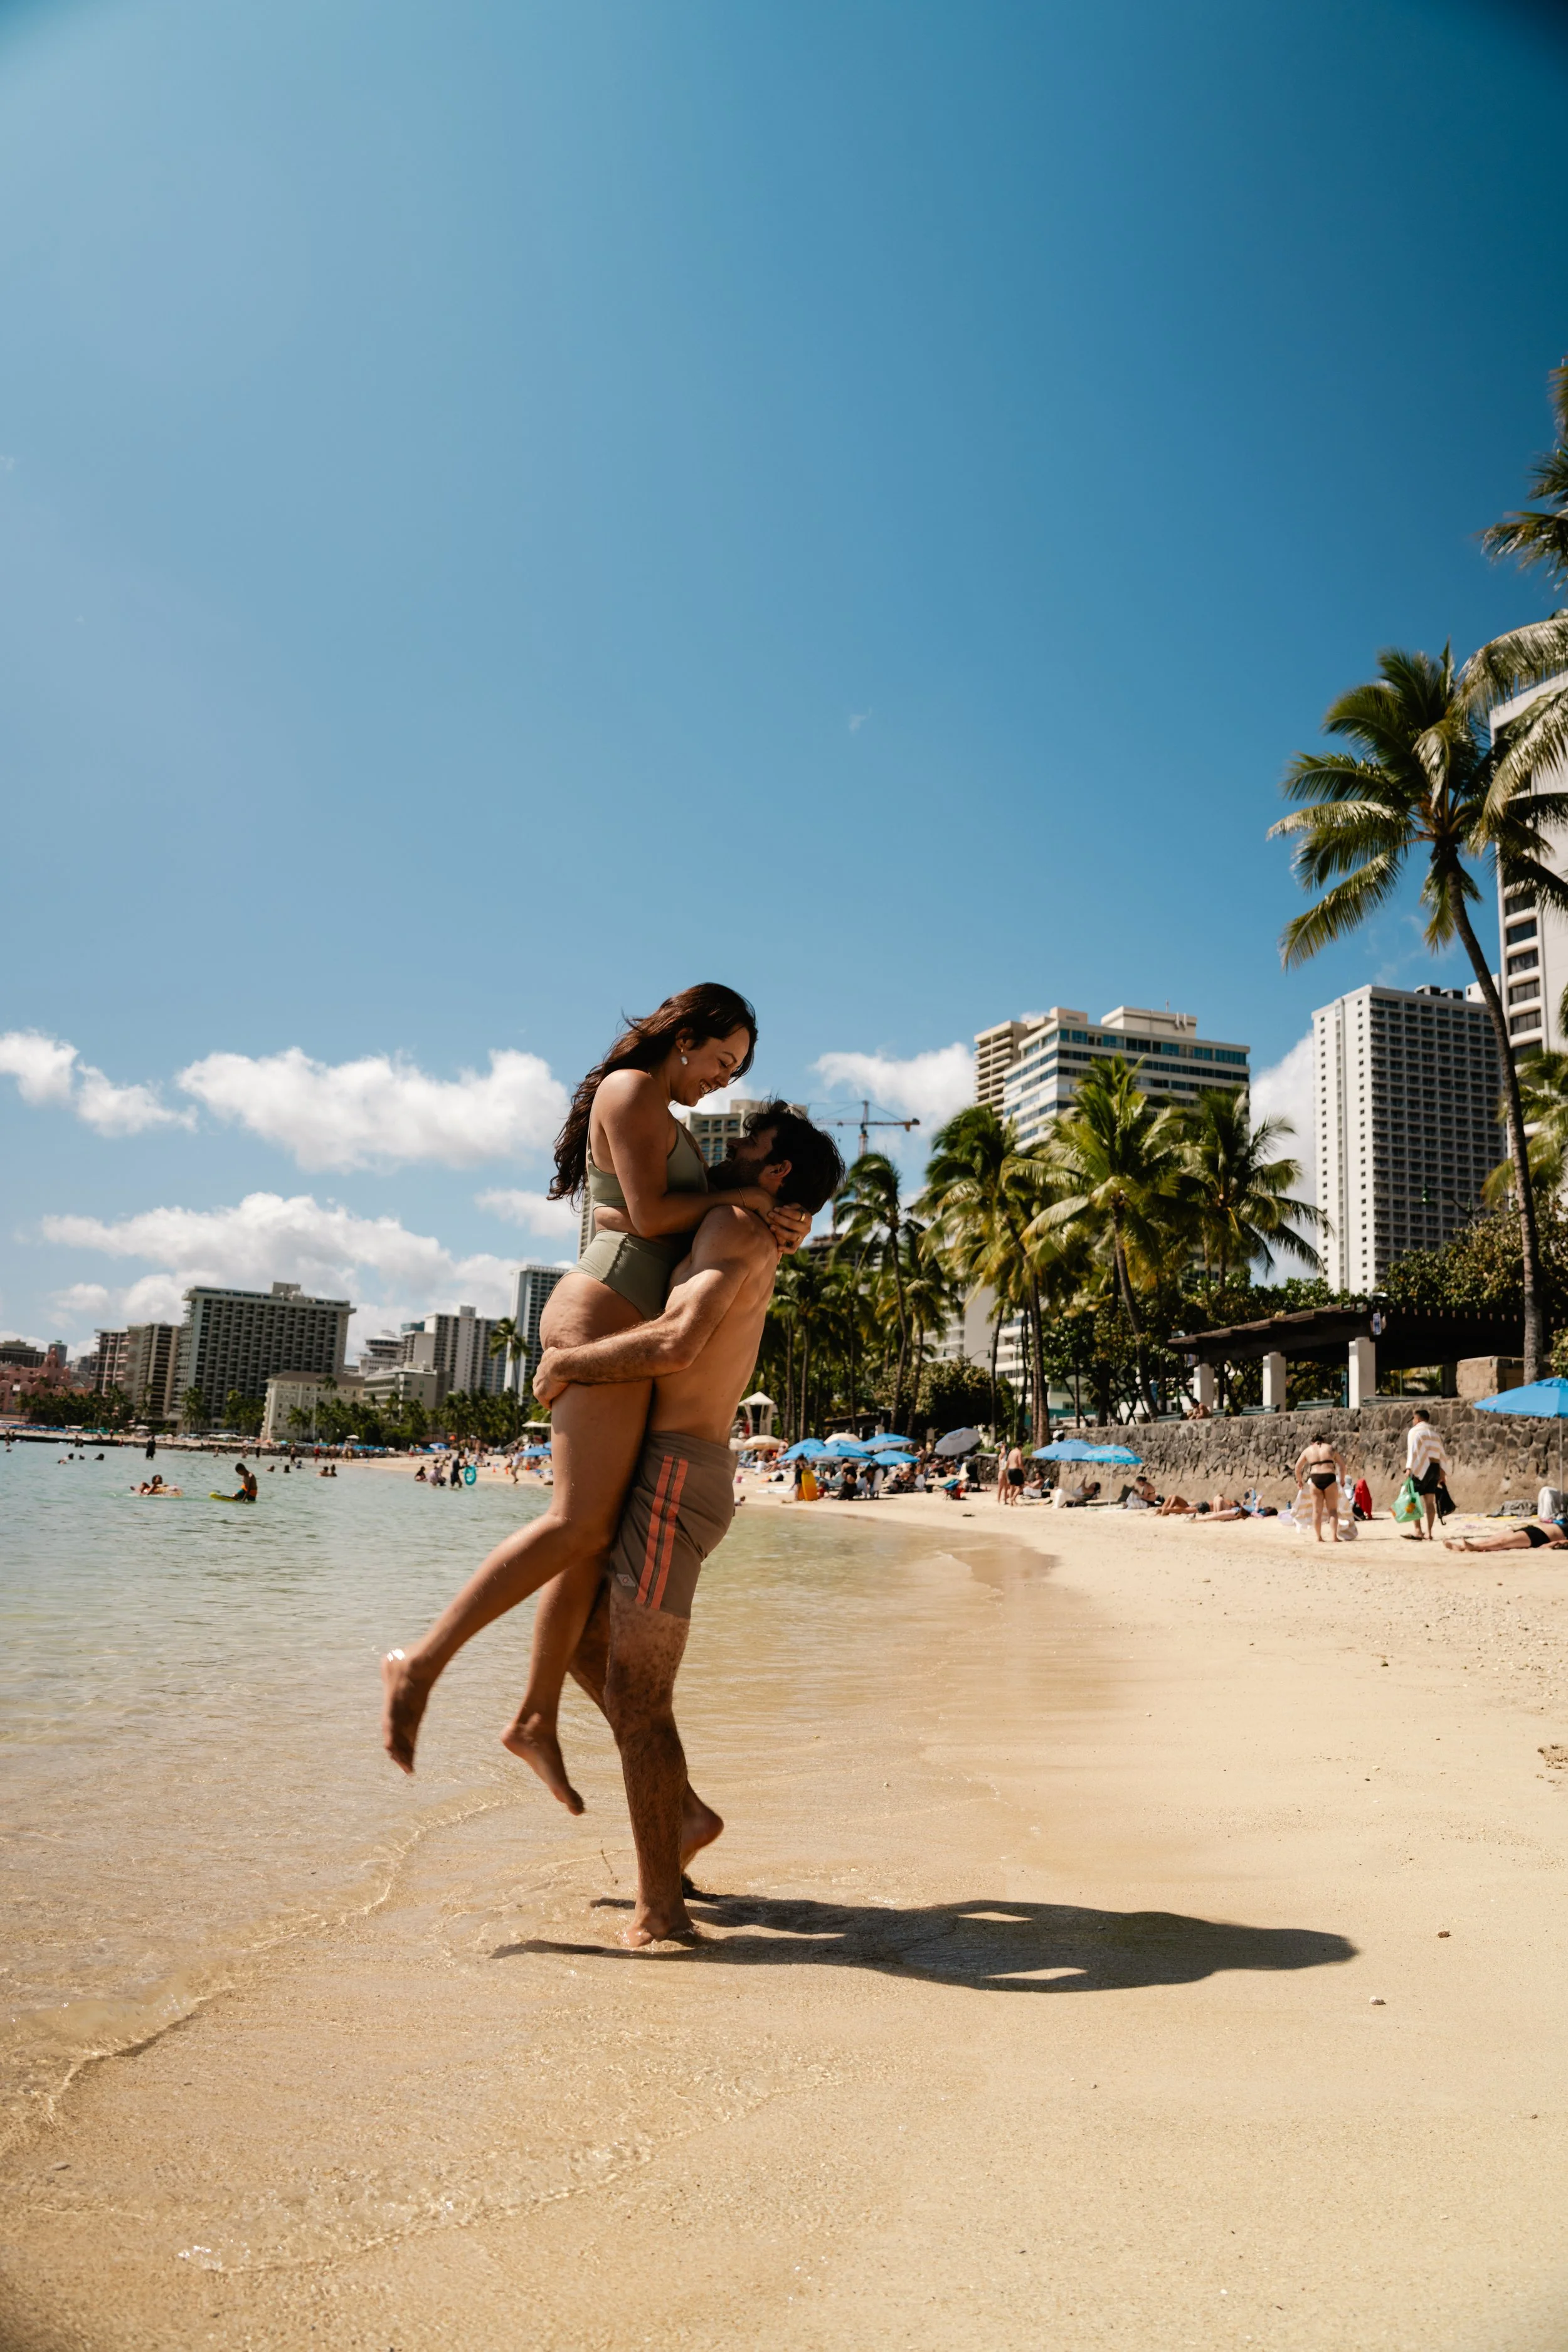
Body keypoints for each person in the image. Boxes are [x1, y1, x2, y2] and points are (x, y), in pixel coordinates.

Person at [381, 1009, 810, 1796]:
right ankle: (423, 1662)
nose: (725, 1079)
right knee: (575, 1524)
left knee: (591, 1535)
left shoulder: (670, 1118)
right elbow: (649, 1218)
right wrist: (754, 1192)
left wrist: (779, 1213)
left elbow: (709, 1222)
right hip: (604, 1310)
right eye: (723, 1058)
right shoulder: (631, 1090)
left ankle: (536, 1720)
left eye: (737, 1069)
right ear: (685, 1036)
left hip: (625, 1323)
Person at [527, 1108, 845, 1945]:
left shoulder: (738, 1225)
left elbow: (675, 1339)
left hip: (676, 1475)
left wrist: (567, 1362)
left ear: (776, 1172)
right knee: (579, 1645)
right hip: (662, 1465)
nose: (730, 1145)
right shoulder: (739, 1216)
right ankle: (684, 1819)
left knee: (642, 1698)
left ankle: (661, 1909)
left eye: (749, 1144)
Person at [1405, 1408, 1451, 1543]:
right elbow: (1441, 1453)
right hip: (1435, 1468)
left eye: (1414, 1419)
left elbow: (1412, 1451)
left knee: (1413, 1500)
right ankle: (1429, 1533)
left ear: (1418, 1419)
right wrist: (1442, 1472)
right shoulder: (1434, 1433)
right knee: (1429, 1502)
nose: (1413, 1422)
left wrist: (1409, 1468)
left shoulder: (1414, 1431)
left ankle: (1418, 1531)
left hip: (1420, 1467)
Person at [1294, 1435, 1348, 1545]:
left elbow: (1297, 1468)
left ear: (1312, 1442)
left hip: (1315, 1478)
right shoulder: (1330, 1448)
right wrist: (1342, 1479)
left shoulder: (1308, 1450)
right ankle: (1334, 1537)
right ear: (1323, 1441)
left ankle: (1319, 1537)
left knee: (1317, 1510)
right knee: (1332, 1510)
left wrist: (1299, 1481)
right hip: (1330, 1477)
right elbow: (1342, 1465)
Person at [1446, 1520, 1568, 1552]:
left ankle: (1476, 1547)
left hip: (1541, 1536)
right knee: (1494, 1538)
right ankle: (1462, 1547)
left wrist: (1549, 1545)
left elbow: (1563, 1543)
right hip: (1533, 1529)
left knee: (1503, 1542)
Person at [1001, 1442, 1025, 1507]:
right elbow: (1020, 1463)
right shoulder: (1019, 1452)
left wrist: (1006, 1471)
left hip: (1010, 1470)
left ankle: (1011, 1503)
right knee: (1021, 1486)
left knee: (1012, 1486)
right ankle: (1013, 1498)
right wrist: (1024, 1472)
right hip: (1016, 1470)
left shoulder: (1011, 1452)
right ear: (1020, 1446)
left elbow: (1008, 1462)